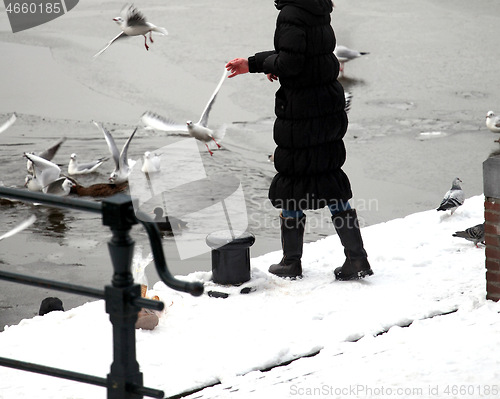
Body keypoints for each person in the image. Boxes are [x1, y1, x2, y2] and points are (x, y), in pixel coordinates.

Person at [226, 0, 373, 280]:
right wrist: (256, 63)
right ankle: (357, 258)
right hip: (326, 104)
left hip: (302, 109)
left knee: (292, 176)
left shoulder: (291, 13)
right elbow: (307, 56)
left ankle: (291, 261)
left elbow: (291, 62)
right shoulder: (317, 9)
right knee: (329, 175)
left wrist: (269, 65)